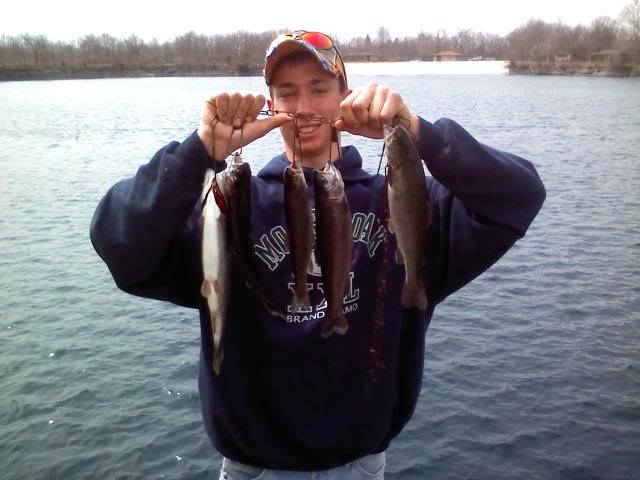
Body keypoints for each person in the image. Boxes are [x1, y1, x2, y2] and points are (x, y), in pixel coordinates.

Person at [90, 30, 546, 479]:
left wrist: (418, 135)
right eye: (286, 93)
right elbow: (118, 242)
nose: (304, 107)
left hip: (361, 465)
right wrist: (198, 153)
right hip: (254, 467)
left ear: (345, 95)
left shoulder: (405, 205)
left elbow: (519, 196)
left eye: (320, 89)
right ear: (269, 104)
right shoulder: (229, 209)